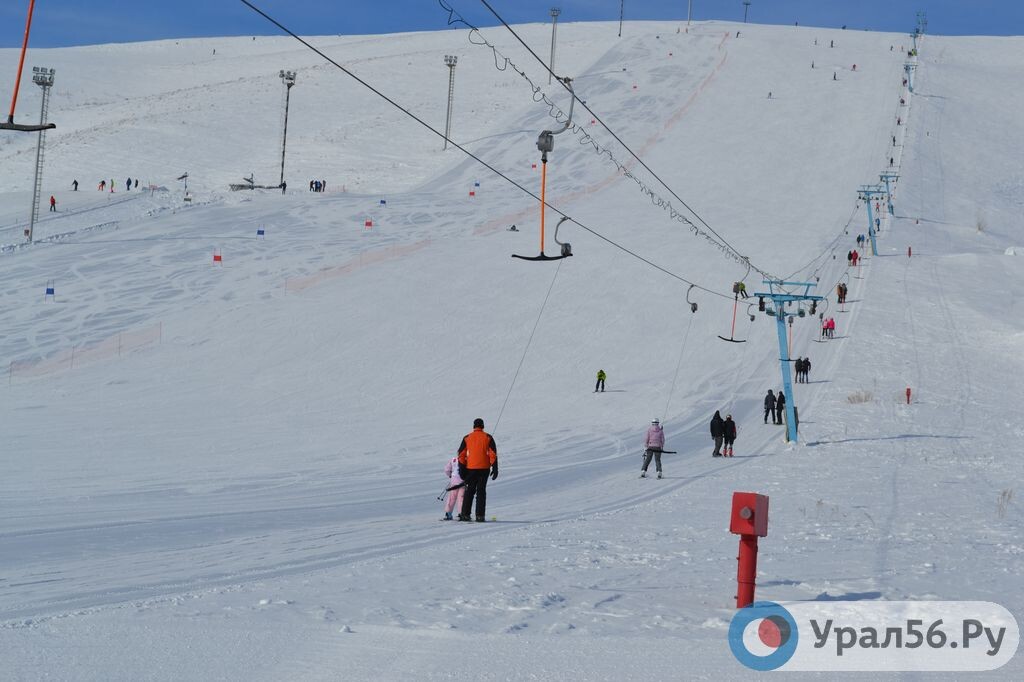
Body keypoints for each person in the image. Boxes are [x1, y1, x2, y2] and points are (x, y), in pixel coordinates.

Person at [457, 418, 498, 522]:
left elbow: (461, 455)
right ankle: (480, 516)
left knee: (469, 491)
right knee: (481, 492)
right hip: (484, 469)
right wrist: (495, 468)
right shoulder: (488, 437)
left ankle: (465, 514)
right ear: (482, 426)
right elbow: (493, 454)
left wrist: (462, 469)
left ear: (474, 426)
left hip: (470, 469)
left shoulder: (467, 438)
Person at [442, 454, 465, 520]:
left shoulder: (453, 459)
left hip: (454, 481)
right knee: (461, 498)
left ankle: (448, 513)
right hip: (463, 481)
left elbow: (447, 469)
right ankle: (461, 513)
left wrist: (450, 475)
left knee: (451, 498)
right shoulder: (466, 459)